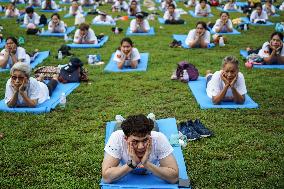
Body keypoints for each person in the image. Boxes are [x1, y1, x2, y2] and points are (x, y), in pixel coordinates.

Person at [102, 114, 179, 184]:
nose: (141, 147)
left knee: (154, 126)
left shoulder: (159, 138)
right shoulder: (117, 138)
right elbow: (106, 178)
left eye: (145, 140)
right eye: (135, 141)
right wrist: (133, 163)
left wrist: (146, 164)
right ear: (126, 138)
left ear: (150, 135)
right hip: (120, 132)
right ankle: (120, 121)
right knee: (118, 127)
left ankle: (151, 118)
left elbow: (174, 178)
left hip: (152, 133)